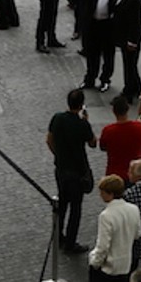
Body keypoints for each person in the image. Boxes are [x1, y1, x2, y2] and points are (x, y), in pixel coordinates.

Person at [68, 175, 140, 282]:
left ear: (109, 194)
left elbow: (103, 246)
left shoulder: (107, 215)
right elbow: (138, 234)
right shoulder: (133, 209)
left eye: (102, 192)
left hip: (106, 267)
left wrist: (94, 262)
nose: (100, 195)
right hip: (125, 265)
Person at [46, 89, 97, 253]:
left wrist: (58, 154)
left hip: (61, 169)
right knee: (76, 208)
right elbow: (93, 143)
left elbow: (49, 140)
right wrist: (86, 122)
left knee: (62, 204)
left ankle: (58, 236)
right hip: (77, 172)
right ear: (81, 105)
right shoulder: (82, 124)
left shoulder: (57, 118)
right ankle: (70, 243)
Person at [99, 95, 141, 182]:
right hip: (135, 172)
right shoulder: (139, 127)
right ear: (127, 109)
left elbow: (103, 147)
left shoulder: (108, 130)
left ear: (114, 111)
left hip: (114, 173)